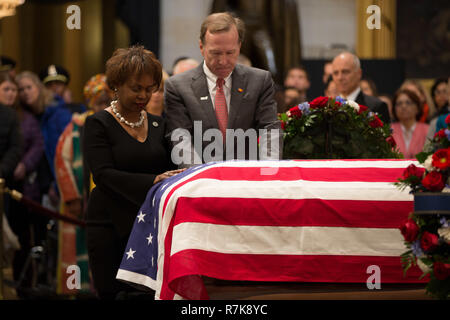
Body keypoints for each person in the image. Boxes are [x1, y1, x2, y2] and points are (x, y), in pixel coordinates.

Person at [83, 46, 183, 299]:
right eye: (136, 88)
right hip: (108, 224)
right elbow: (103, 175)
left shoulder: (160, 125)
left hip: (149, 223)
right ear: (116, 85)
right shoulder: (98, 123)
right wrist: (154, 180)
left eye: (150, 89)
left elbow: (173, 171)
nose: (144, 95)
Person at [165, 12, 281, 166]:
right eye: (216, 53)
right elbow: (181, 138)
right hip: (201, 181)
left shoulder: (259, 81)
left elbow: (270, 130)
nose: (223, 61)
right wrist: (199, 177)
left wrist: (268, 170)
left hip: (246, 178)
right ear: (201, 47)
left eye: (230, 52)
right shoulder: (178, 86)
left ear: (239, 46)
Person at [55, 73, 113, 295]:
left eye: (107, 102)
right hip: (78, 204)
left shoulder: (117, 124)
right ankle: (75, 292)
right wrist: (72, 198)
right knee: (75, 254)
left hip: (104, 204)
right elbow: (62, 160)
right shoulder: (77, 126)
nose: (103, 107)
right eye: (99, 102)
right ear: (90, 102)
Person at [0, 72, 44, 296]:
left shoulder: (24, 118)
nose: (12, 94)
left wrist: (22, 165)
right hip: (8, 179)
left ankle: (21, 284)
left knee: (18, 237)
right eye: (6, 89)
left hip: (19, 186)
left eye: (13, 90)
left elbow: (37, 145)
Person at [331, 51, 390, 124]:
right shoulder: (329, 107)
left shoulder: (376, 106)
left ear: (359, 73)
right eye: (336, 73)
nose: (340, 77)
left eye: (345, 72)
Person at [391, 89, 429, 159]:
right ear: (394, 109)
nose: (403, 106)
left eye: (408, 103)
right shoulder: (389, 131)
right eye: (399, 103)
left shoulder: (427, 130)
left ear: (417, 107)